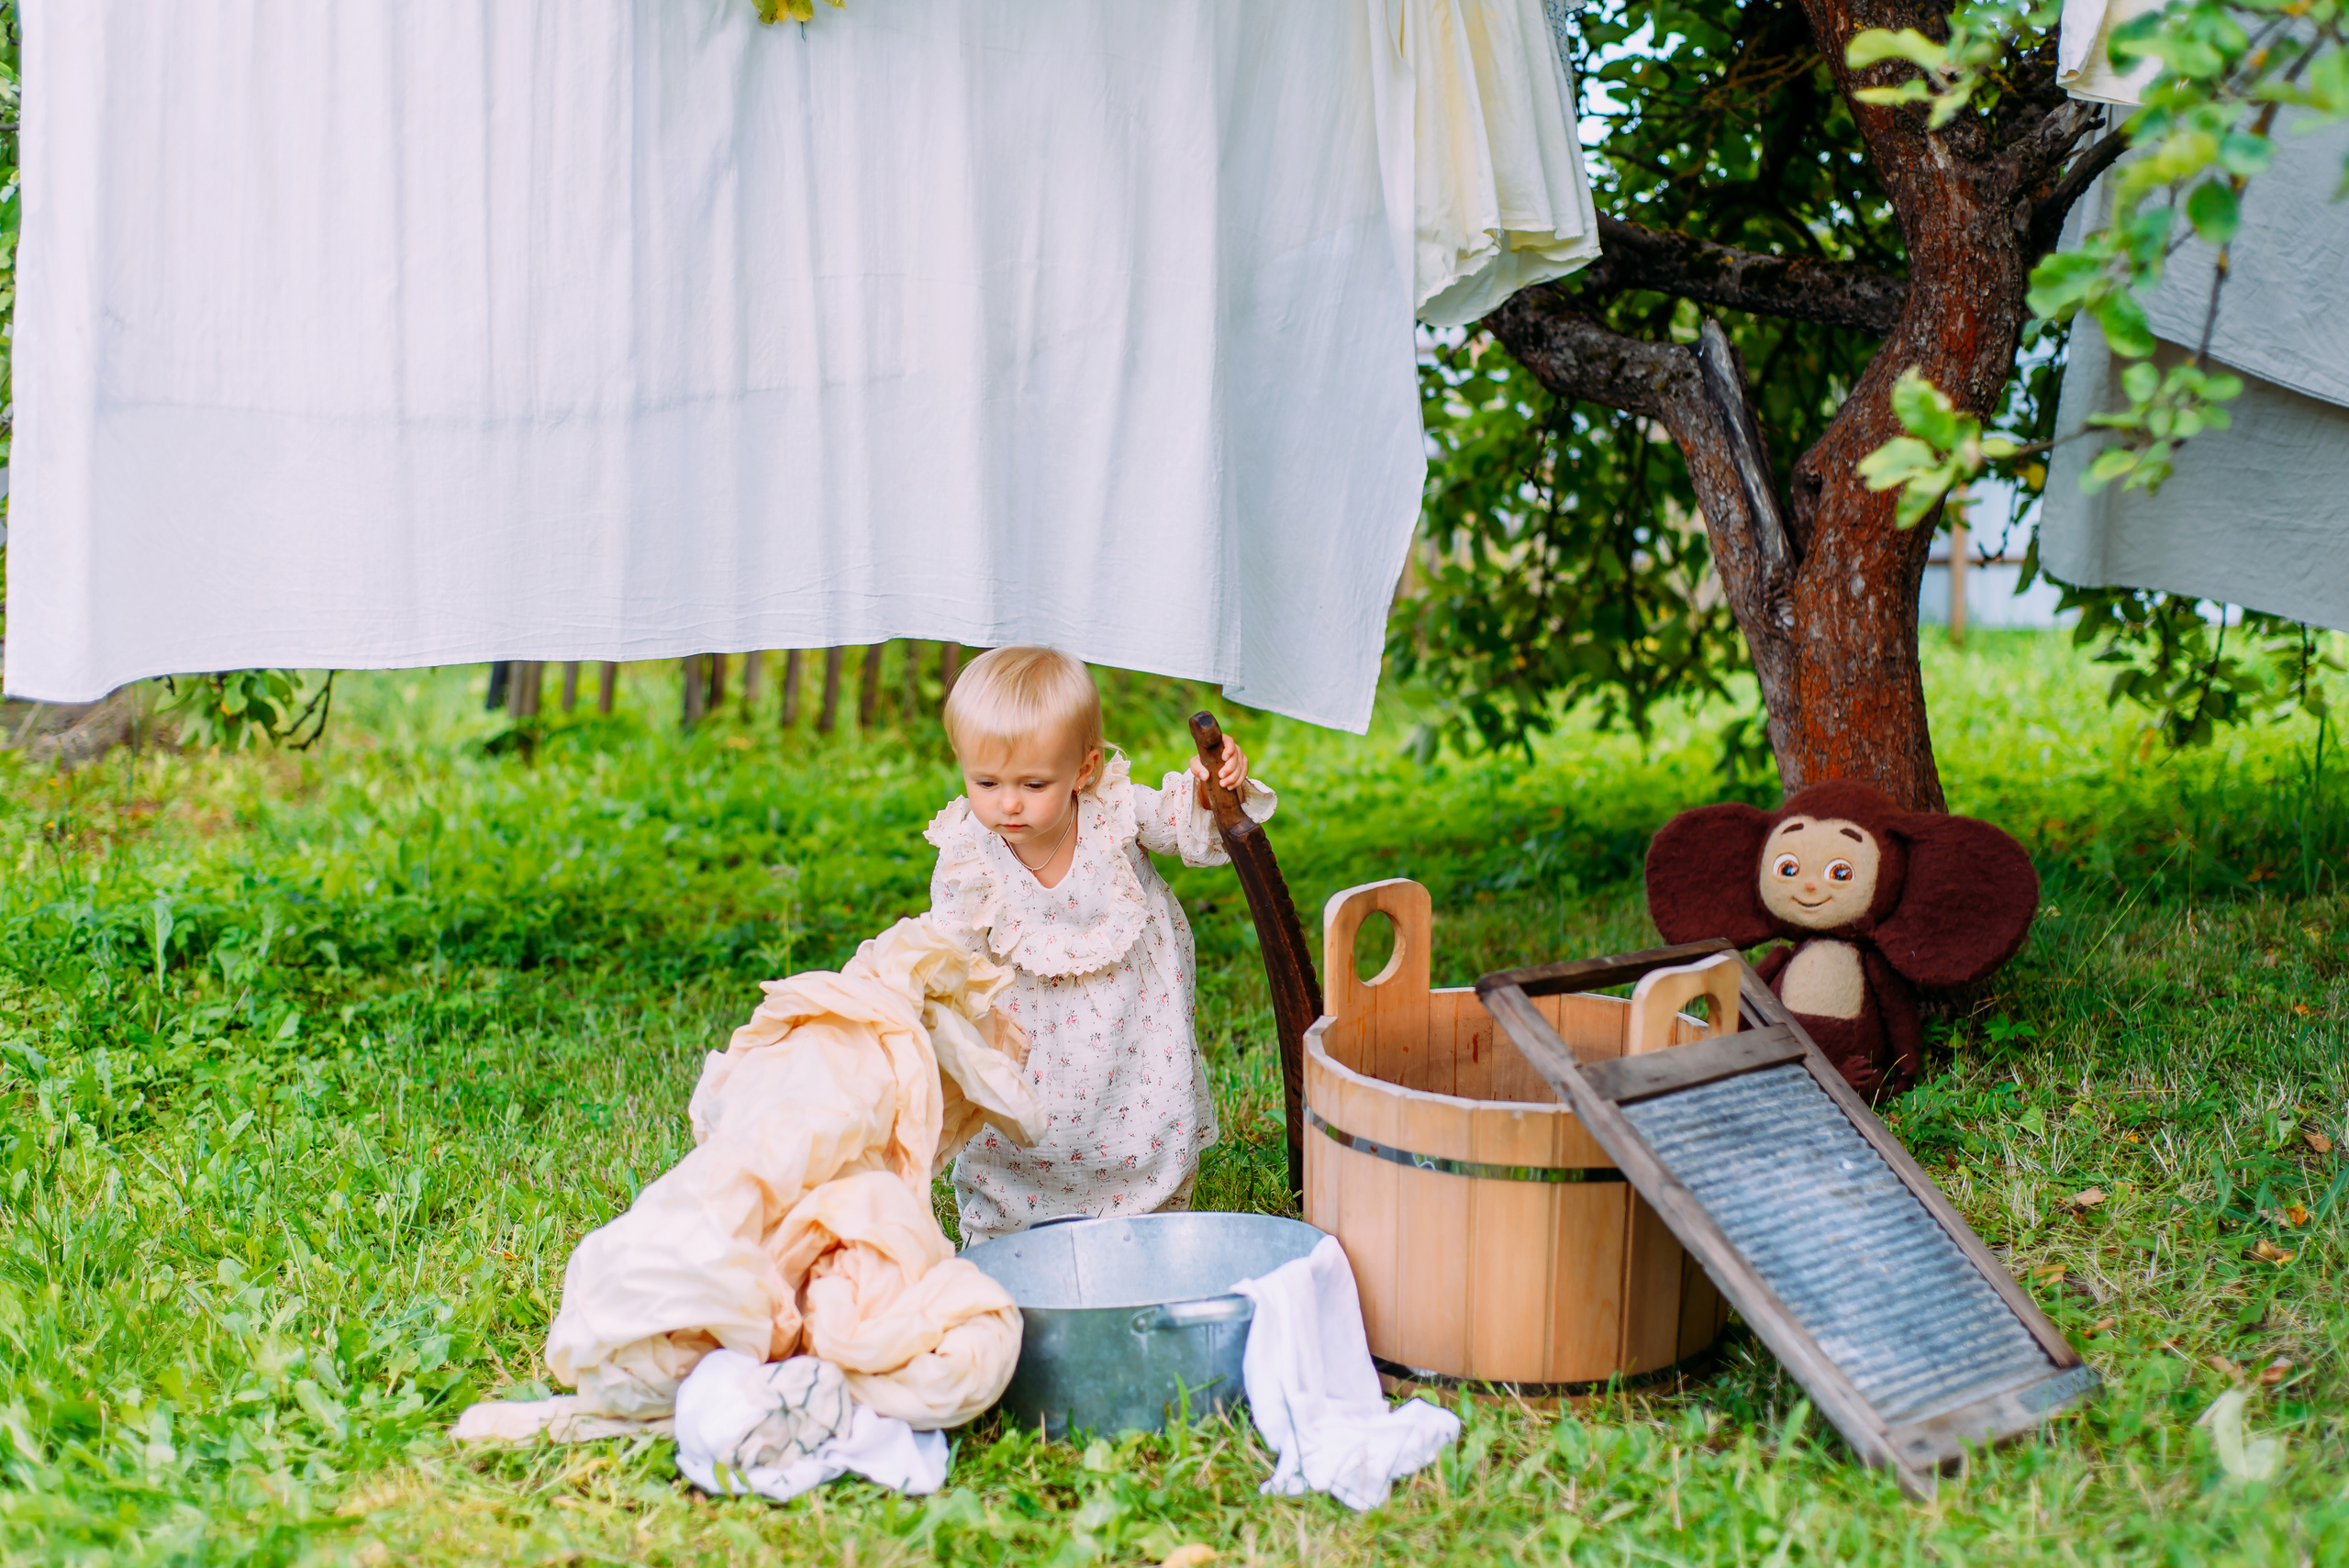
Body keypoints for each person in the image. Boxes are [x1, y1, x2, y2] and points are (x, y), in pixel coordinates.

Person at [924, 646, 1275, 1245]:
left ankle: (1147, 1226)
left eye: (1033, 783)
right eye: (985, 781)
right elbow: (946, 946)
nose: (1007, 802)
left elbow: (1191, 829)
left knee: (1142, 1126)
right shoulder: (969, 851)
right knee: (1016, 1139)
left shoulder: (1114, 809)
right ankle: (1013, 1239)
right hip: (1026, 1031)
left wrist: (1213, 788)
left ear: (1084, 769)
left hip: (1128, 1027)